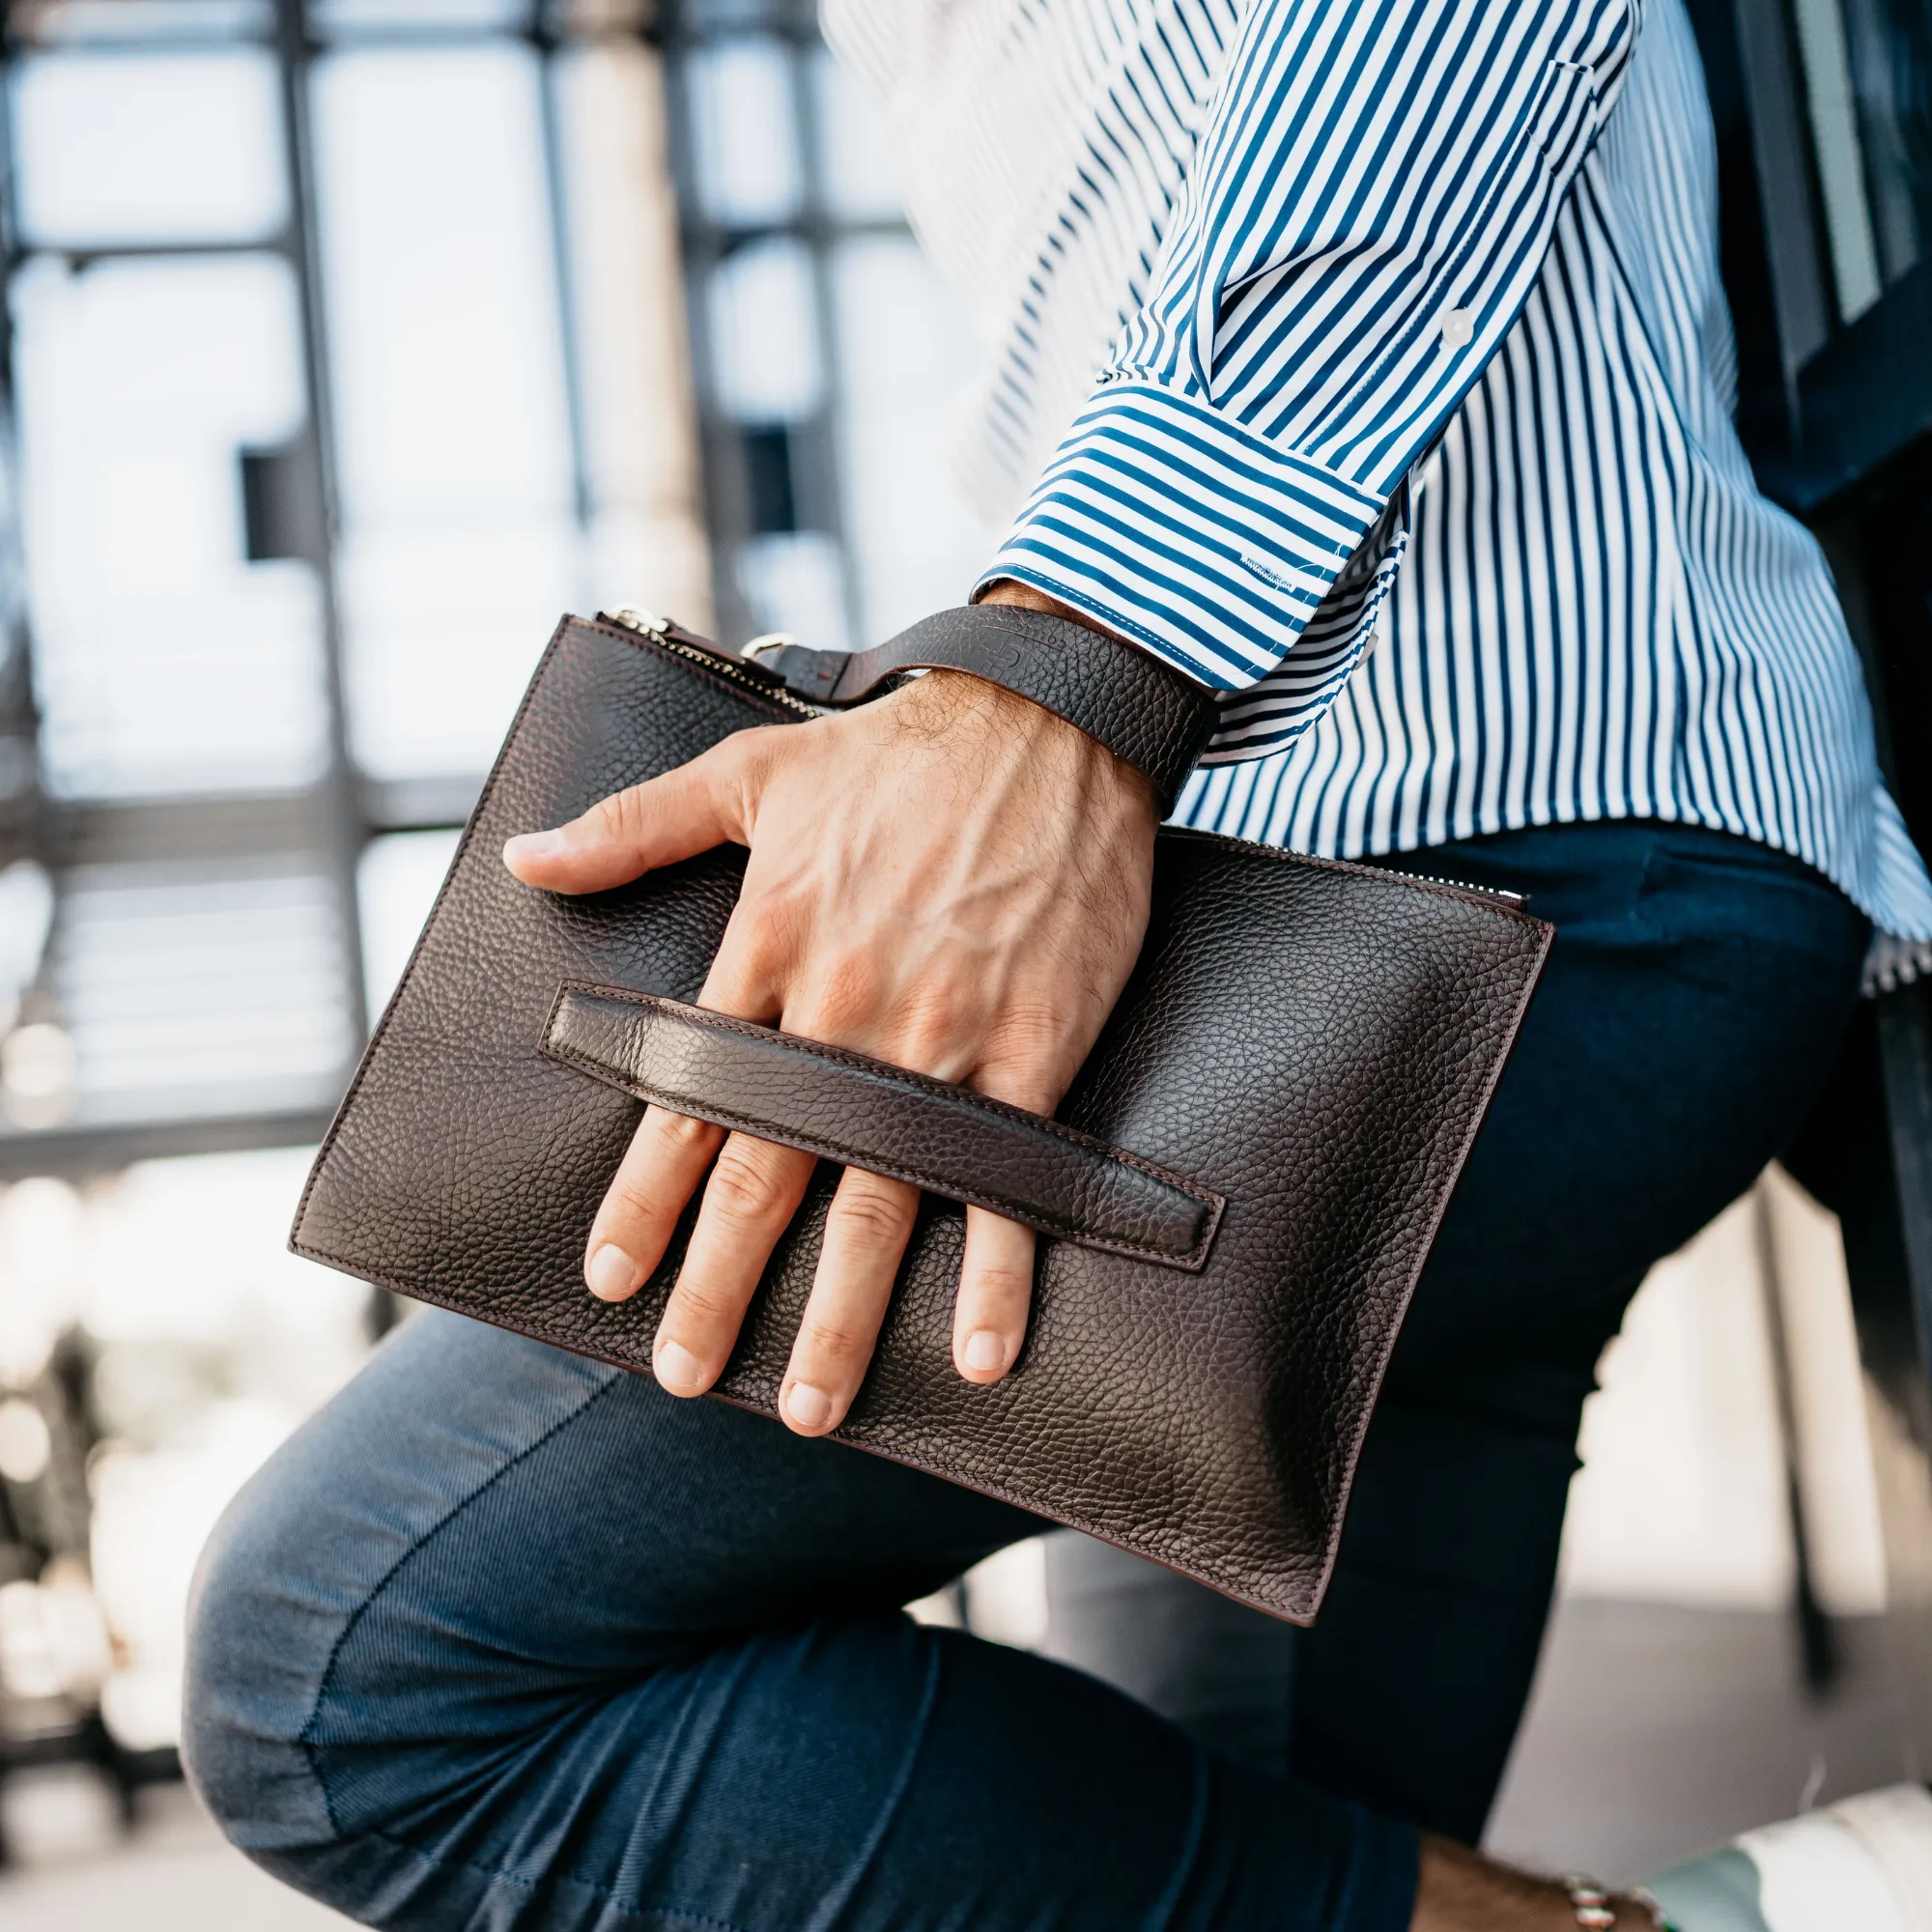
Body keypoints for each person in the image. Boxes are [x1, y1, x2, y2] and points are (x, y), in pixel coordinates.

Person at [184, 0, 1932, 1925]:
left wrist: (1069, 671)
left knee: (347, 1674)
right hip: (1330, 903)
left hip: (1448, 852)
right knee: (1215, 1847)